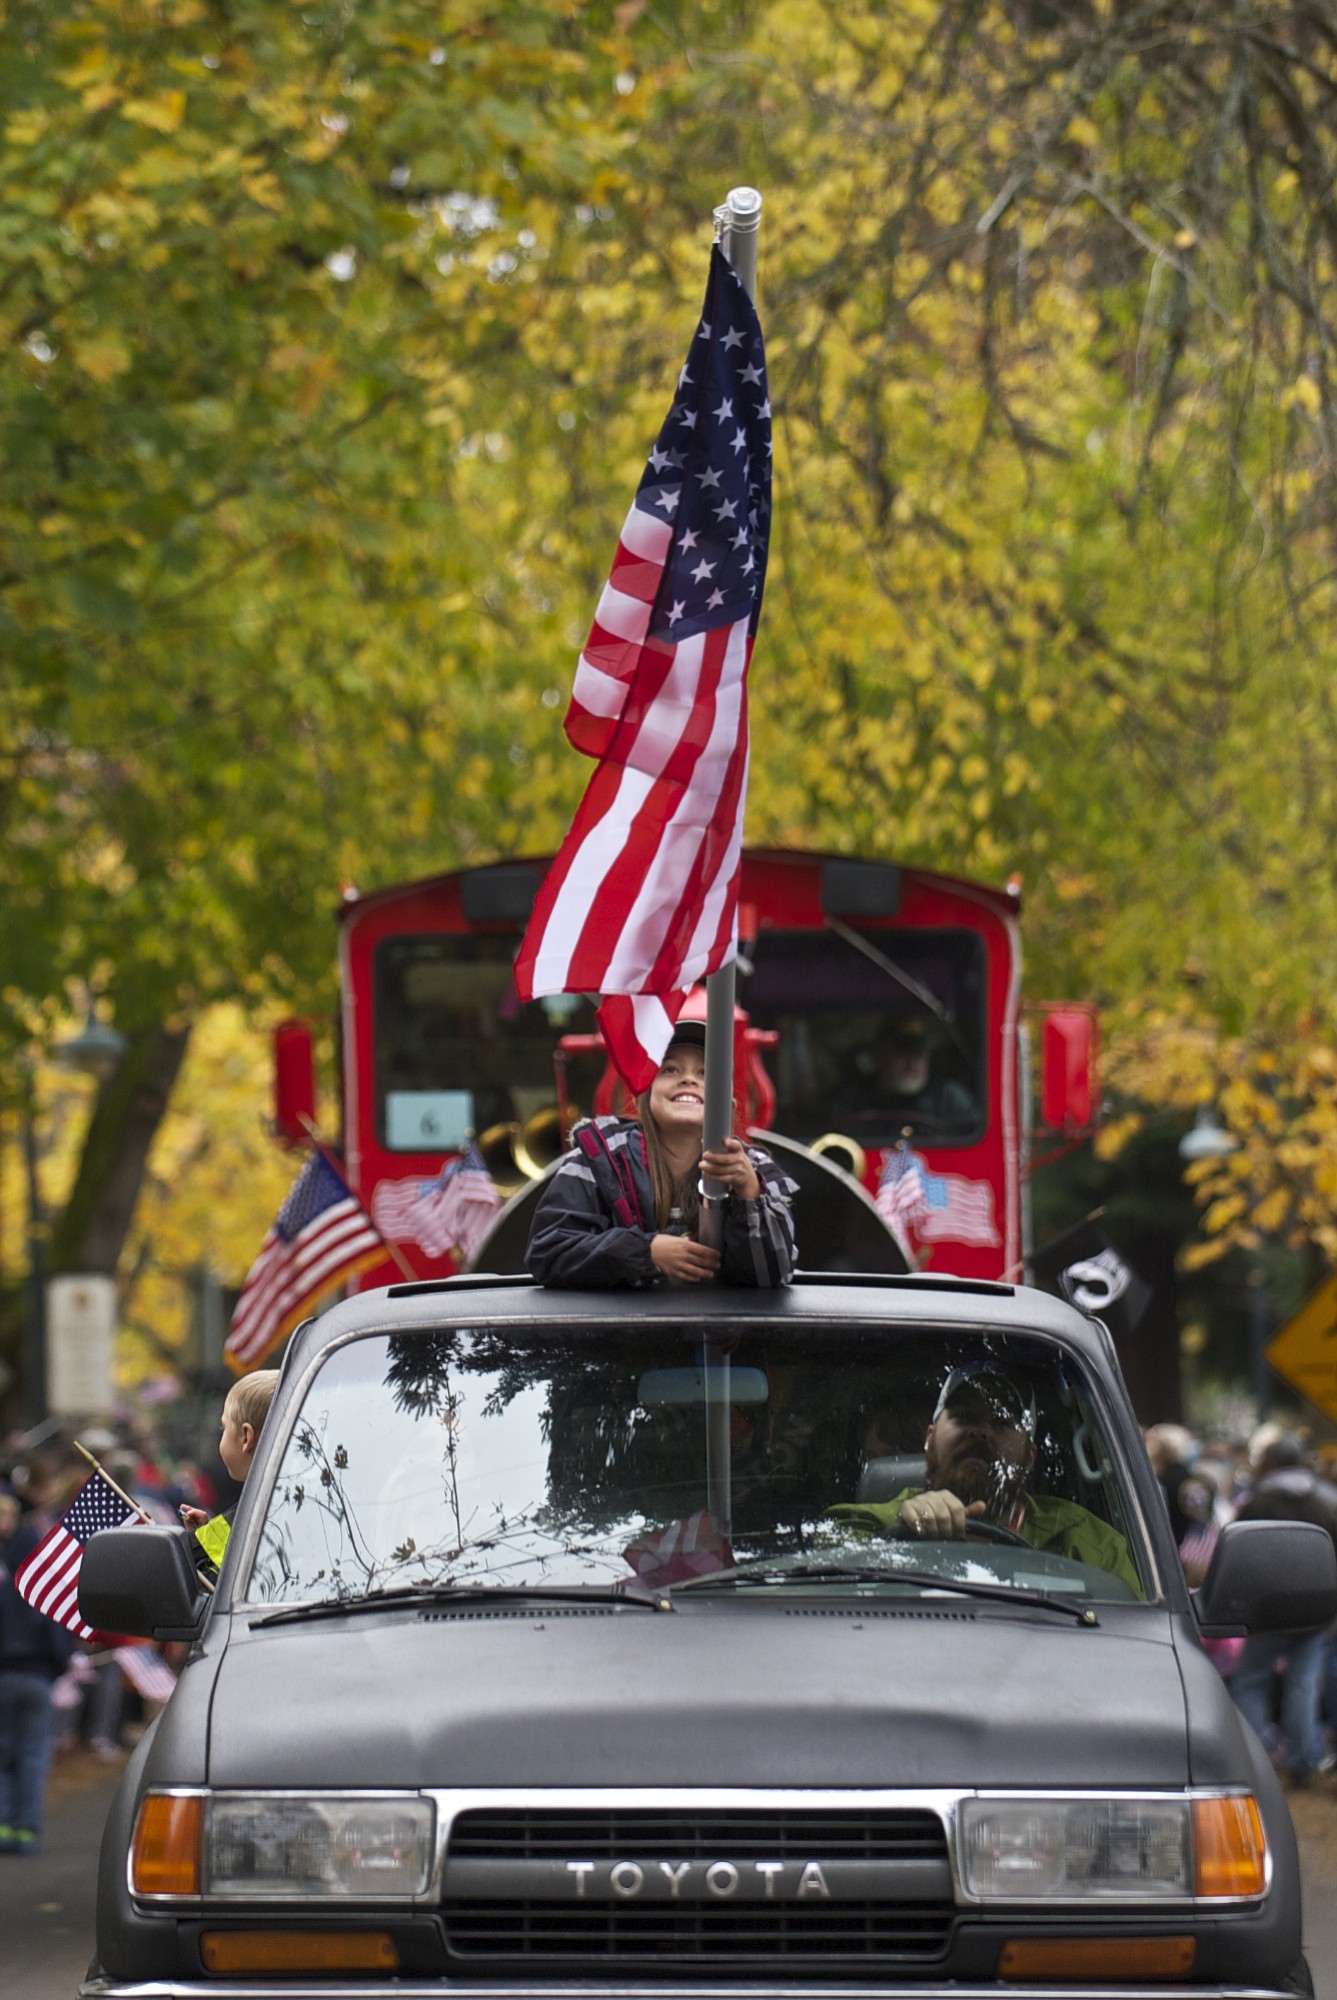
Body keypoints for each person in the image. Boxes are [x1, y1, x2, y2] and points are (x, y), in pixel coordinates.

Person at [828, 1360, 1140, 1591]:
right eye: (964, 1417)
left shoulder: (1089, 1543)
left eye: (1002, 1422)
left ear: (1030, 1457)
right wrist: (902, 1536)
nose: (980, 1432)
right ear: (929, 1439)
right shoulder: (865, 1524)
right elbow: (824, 1594)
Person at [527, 1021, 797, 1288]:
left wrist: (749, 1194)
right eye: (670, 1069)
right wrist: (647, 1252)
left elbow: (772, 1275)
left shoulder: (757, 1171)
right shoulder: (598, 1158)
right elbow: (547, 1253)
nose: (689, 1078)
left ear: (729, 1103)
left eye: (706, 1072)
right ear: (642, 1095)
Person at [1229, 1433, 1337, 1789]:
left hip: (1268, 1608)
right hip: (1317, 1607)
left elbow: (1236, 1553)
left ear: (1272, 1463)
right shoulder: (1327, 1500)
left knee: (1250, 1679)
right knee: (1303, 1682)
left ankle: (1255, 1759)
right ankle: (1303, 1760)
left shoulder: (1257, 1501)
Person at [0, 1481, 76, 1856]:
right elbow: (57, 1637)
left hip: (4, 1677)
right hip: (37, 1679)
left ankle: (3, 1826)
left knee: (3, 1754)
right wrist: (57, 1669)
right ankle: (27, 1831)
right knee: (32, 1755)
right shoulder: (42, 1592)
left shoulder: (2, 1589)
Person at [180, 1371, 280, 1574]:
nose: (222, 1434)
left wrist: (203, 1544)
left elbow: (227, 1580)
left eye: (223, 1427)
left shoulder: (254, 1517)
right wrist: (206, 1534)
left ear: (246, 1437)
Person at [836, 1010, 976, 1138]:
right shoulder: (854, 1101)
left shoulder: (949, 1098)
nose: (912, 1063)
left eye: (919, 1053)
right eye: (903, 1052)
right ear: (880, 1056)